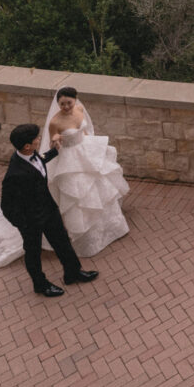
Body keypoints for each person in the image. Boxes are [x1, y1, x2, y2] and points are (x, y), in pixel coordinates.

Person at [0, 122, 98, 297]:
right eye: (37, 138)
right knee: (33, 253)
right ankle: (40, 284)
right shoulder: (14, 175)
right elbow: (6, 206)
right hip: (31, 221)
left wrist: (54, 151)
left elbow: (39, 162)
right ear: (27, 146)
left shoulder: (31, 154)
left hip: (48, 210)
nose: (39, 139)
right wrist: (24, 224)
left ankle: (72, 272)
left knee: (62, 242)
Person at [42, 86, 130, 258]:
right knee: (79, 195)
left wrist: (91, 144)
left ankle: (112, 227)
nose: (66, 107)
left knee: (100, 186)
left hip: (85, 150)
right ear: (57, 103)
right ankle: (86, 238)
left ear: (75, 100)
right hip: (69, 159)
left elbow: (85, 128)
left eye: (69, 102)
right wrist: (56, 140)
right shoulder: (55, 122)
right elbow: (53, 138)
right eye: (62, 104)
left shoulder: (80, 109)